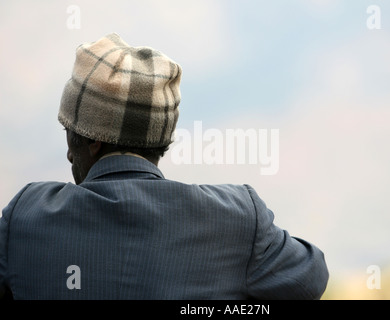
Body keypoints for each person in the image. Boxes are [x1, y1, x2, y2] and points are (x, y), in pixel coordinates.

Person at [0, 33, 328, 300]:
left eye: (69, 135)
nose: (69, 156)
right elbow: (311, 279)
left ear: (93, 140)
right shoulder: (236, 218)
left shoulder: (27, 217)